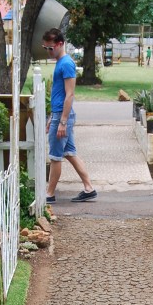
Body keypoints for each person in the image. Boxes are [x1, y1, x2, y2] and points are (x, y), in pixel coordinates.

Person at [43, 27, 96, 203]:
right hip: (59, 114)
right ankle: (89, 188)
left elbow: (70, 94)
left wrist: (62, 121)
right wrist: (53, 117)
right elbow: (58, 94)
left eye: (51, 48)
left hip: (63, 116)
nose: (48, 51)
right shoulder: (60, 62)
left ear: (60, 44)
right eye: (46, 48)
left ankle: (49, 194)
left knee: (55, 157)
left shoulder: (66, 64)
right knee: (69, 153)